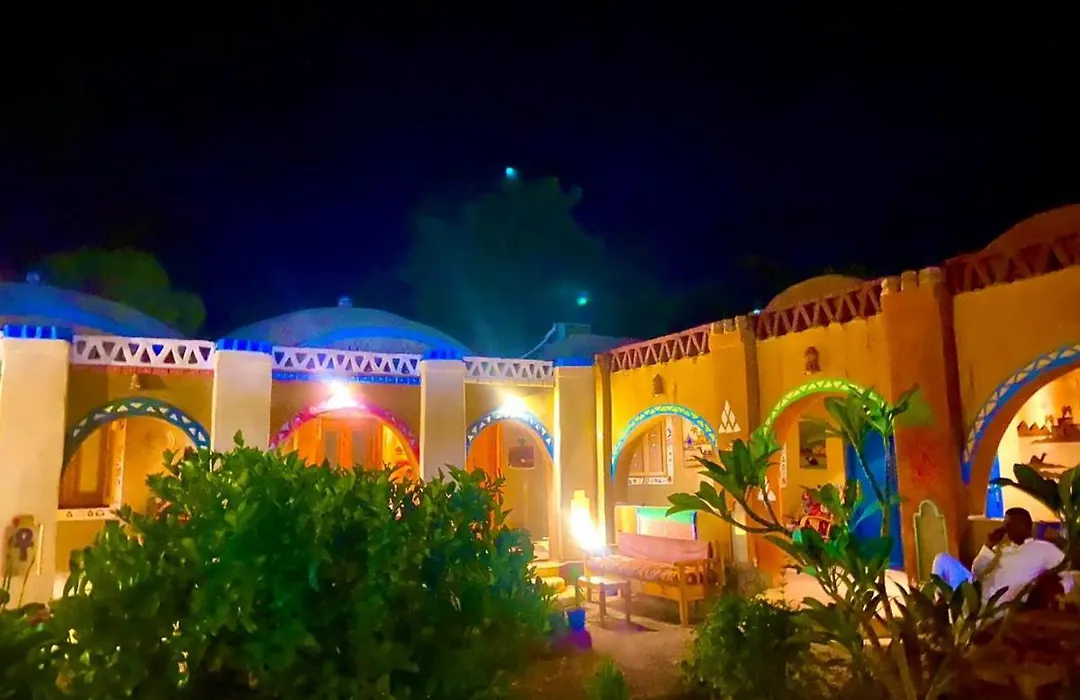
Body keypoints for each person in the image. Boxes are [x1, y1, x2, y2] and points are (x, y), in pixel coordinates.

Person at [932, 507, 1069, 605]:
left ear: (1027, 526)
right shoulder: (1002, 547)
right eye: (1005, 525)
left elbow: (1068, 572)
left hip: (995, 602)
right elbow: (976, 571)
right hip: (975, 589)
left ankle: (952, 611)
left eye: (1011, 525)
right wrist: (989, 545)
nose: (1006, 529)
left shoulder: (1042, 548)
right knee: (942, 560)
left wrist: (1057, 591)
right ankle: (940, 610)